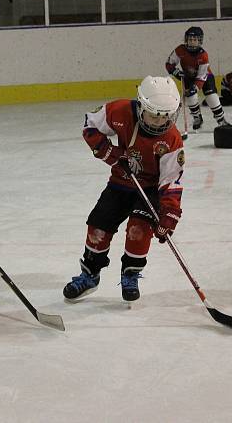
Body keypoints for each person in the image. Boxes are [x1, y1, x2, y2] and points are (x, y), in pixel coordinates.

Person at [63, 75, 185, 303]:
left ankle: (130, 275)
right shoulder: (119, 112)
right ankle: (90, 275)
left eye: (166, 117)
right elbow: (90, 124)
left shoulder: (172, 140)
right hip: (120, 182)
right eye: (154, 115)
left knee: (138, 231)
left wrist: (169, 213)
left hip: (149, 189)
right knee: (98, 227)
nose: (159, 123)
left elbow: (171, 179)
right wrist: (112, 154)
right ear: (141, 105)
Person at [165, 26, 228, 130]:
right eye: (190, 39)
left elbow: (202, 76)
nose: (192, 42)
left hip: (206, 77)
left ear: (200, 41)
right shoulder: (180, 50)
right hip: (188, 77)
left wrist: (195, 88)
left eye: (195, 40)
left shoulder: (203, 55)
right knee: (191, 97)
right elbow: (169, 63)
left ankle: (221, 119)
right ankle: (197, 117)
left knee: (211, 97)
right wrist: (175, 72)